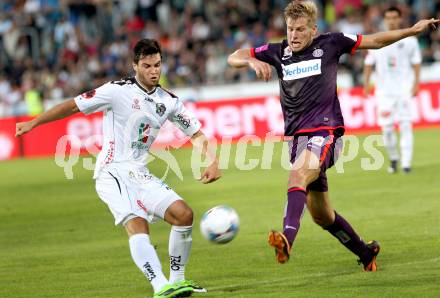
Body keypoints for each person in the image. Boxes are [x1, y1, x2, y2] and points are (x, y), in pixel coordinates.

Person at [227, 1, 439, 271]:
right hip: (298, 140)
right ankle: (366, 252)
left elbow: (374, 41)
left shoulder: (331, 44)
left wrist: (412, 30)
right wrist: (250, 59)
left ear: (313, 30)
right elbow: (234, 55)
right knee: (322, 215)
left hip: (327, 133)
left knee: (298, 175)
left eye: (300, 29)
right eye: (290, 29)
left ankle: (286, 240)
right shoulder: (278, 52)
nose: (293, 35)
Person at [16, 39, 221, 298]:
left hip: (140, 172)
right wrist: (34, 123)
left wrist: (213, 161)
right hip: (112, 171)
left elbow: (197, 133)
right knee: (137, 223)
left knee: (184, 215)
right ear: (134, 65)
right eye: (147, 66)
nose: (153, 71)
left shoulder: (168, 100)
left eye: (157, 65)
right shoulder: (116, 90)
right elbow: (73, 105)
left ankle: (177, 280)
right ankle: (160, 286)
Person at [364, 6, 422, 174]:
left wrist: (416, 83)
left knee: (405, 125)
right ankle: (394, 158)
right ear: (384, 20)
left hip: (404, 89)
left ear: (399, 19)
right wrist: (366, 83)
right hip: (384, 92)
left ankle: (406, 164)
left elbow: (416, 61)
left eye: (394, 17)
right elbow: (368, 63)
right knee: (387, 129)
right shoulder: (377, 39)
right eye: (388, 17)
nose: (391, 20)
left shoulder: (410, 40)